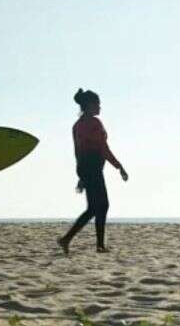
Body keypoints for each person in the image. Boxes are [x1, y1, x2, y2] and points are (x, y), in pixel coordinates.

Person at [58, 89, 128, 255]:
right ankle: (97, 245)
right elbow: (103, 148)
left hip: (85, 166)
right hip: (93, 167)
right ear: (89, 105)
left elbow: (78, 152)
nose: (100, 107)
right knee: (101, 206)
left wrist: (81, 175)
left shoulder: (77, 126)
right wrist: (119, 166)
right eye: (97, 103)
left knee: (94, 208)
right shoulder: (94, 123)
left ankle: (68, 239)